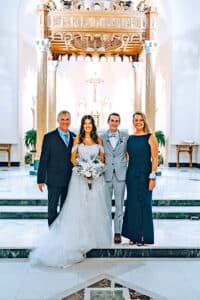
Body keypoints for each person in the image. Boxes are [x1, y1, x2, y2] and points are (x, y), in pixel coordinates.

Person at [30, 115, 111, 267]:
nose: (87, 126)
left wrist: (94, 170)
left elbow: (102, 158)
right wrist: (83, 169)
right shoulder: (76, 139)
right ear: (82, 125)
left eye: (90, 123)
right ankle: (55, 235)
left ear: (93, 125)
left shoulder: (98, 140)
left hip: (95, 179)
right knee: (74, 208)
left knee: (93, 208)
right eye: (85, 123)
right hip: (78, 178)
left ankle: (94, 237)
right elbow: (73, 159)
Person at [122, 112, 158, 246]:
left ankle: (143, 235)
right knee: (132, 205)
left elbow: (154, 159)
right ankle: (132, 235)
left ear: (144, 122)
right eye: (136, 120)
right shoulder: (130, 139)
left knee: (144, 204)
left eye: (141, 120)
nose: (138, 122)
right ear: (133, 122)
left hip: (145, 175)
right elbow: (127, 157)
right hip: (131, 175)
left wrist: (152, 177)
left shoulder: (150, 137)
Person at [37, 110, 76, 226]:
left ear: (70, 121)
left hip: (69, 179)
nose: (65, 122)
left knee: (65, 209)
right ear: (58, 121)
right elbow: (44, 158)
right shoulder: (49, 137)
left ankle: (62, 234)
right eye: (62, 119)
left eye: (67, 119)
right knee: (52, 209)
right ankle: (52, 235)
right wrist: (40, 179)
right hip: (54, 180)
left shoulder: (74, 137)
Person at [101, 113, 128, 244]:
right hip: (106, 174)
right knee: (106, 205)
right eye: (112, 120)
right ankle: (106, 231)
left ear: (119, 123)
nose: (114, 123)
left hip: (120, 175)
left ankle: (117, 232)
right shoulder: (102, 137)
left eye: (117, 121)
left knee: (119, 204)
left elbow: (129, 153)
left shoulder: (125, 137)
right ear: (108, 121)